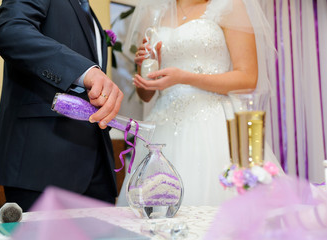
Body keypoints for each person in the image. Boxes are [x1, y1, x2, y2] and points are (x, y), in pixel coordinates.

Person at [117, 0, 280, 206]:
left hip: (215, 124)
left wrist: (184, 77)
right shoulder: (155, 13)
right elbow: (146, 95)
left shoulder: (229, 6)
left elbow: (247, 78)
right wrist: (147, 68)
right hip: (163, 124)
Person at [0, 0, 124, 211]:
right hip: (42, 162)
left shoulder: (88, 12)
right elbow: (10, 31)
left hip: (97, 171)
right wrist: (86, 71)